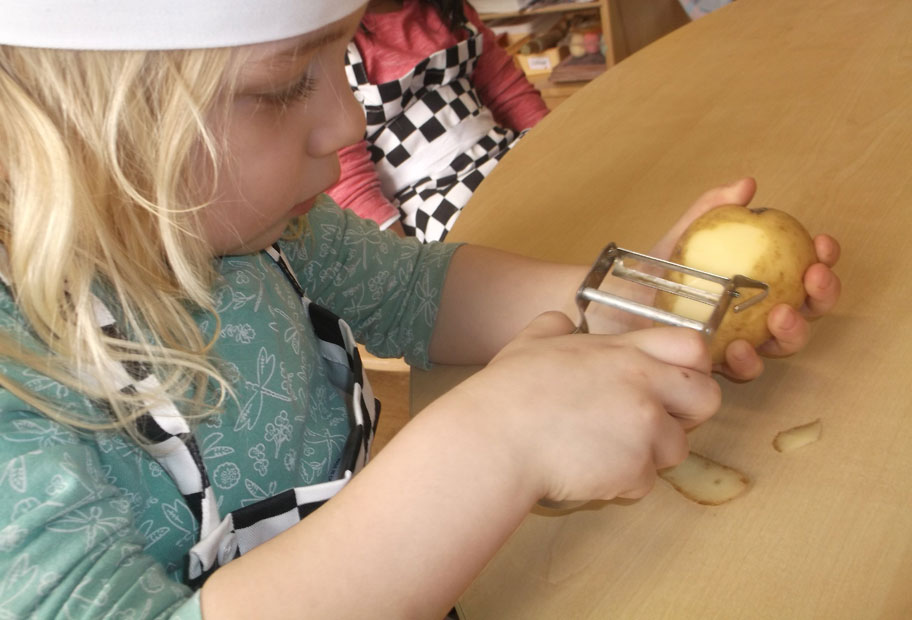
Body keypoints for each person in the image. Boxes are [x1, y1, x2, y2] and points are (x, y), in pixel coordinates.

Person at [0, 1, 841, 618]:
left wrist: (636, 297)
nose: (346, 121)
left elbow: (420, 294)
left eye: (342, 61)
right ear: (74, 114)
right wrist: (492, 445)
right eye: (290, 82)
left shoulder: (254, 221)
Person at [326, 0, 550, 241]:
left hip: (503, 155)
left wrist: (554, 147)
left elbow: (508, 92)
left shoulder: (448, 7)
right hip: (429, 205)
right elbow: (353, 184)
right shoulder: (327, 50)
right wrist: (406, 262)